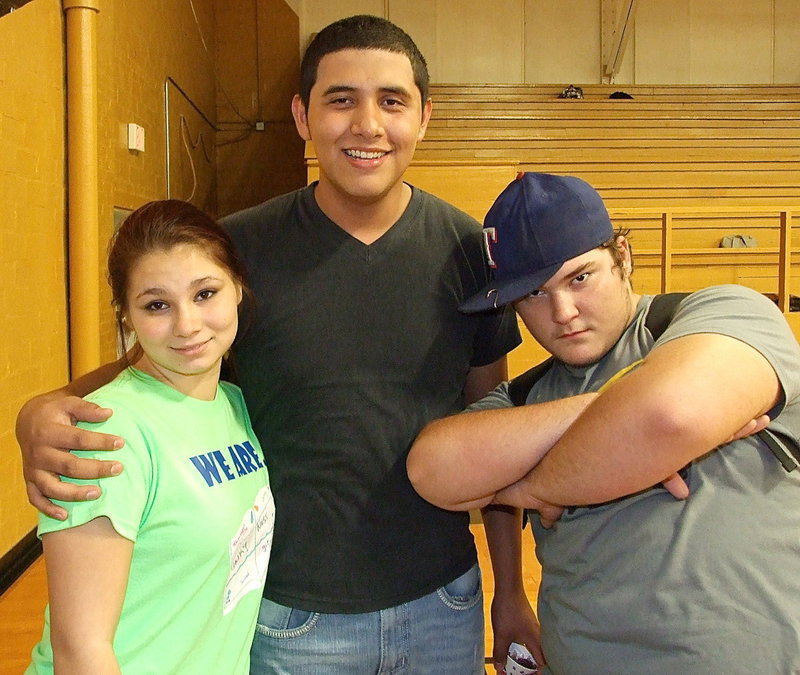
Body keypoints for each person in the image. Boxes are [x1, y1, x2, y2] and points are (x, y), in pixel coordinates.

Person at [16, 15, 521, 673]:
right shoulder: (240, 250)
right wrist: (44, 408)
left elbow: (497, 433)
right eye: (340, 99)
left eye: (391, 101)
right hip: (292, 617)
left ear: (424, 116)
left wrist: (511, 591)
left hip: (443, 604)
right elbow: (151, 362)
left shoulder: (467, 249)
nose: (367, 123)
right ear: (302, 115)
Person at [407, 171, 800, 673]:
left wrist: (531, 487)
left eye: (580, 277)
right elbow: (432, 469)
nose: (563, 312)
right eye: (534, 295)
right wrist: (618, 419)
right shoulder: (525, 396)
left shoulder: (719, 314)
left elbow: (669, 414)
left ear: (623, 256)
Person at [25, 200, 274, 673]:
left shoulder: (232, 405)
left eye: (205, 294)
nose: (187, 325)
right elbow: (81, 651)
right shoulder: (109, 431)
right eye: (157, 304)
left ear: (238, 287)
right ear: (126, 316)